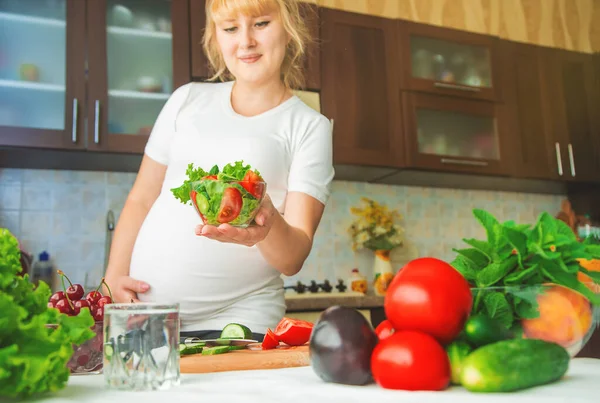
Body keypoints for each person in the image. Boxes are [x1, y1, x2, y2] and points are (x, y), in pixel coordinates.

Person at [104, 0, 334, 340]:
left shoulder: (309, 126)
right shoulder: (186, 100)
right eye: (230, 28)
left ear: (289, 28)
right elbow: (141, 198)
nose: (245, 42)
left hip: (238, 321)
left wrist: (266, 219)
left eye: (260, 24)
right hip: (144, 316)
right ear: (216, 38)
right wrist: (111, 282)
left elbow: (293, 258)